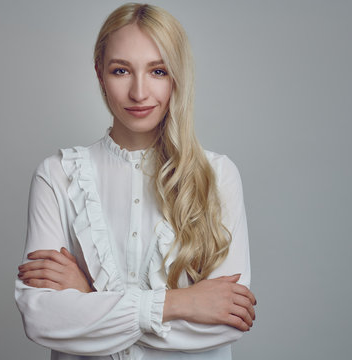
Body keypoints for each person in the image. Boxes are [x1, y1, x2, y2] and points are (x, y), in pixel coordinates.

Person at [15, 3, 257, 359]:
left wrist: (89, 301)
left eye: (157, 71)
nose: (139, 92)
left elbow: (224, 323)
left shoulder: (218, 176)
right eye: (121, 70)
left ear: (178, 76)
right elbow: (43, 320)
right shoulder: (56, 175)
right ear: (100, 74)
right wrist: (181, 303)